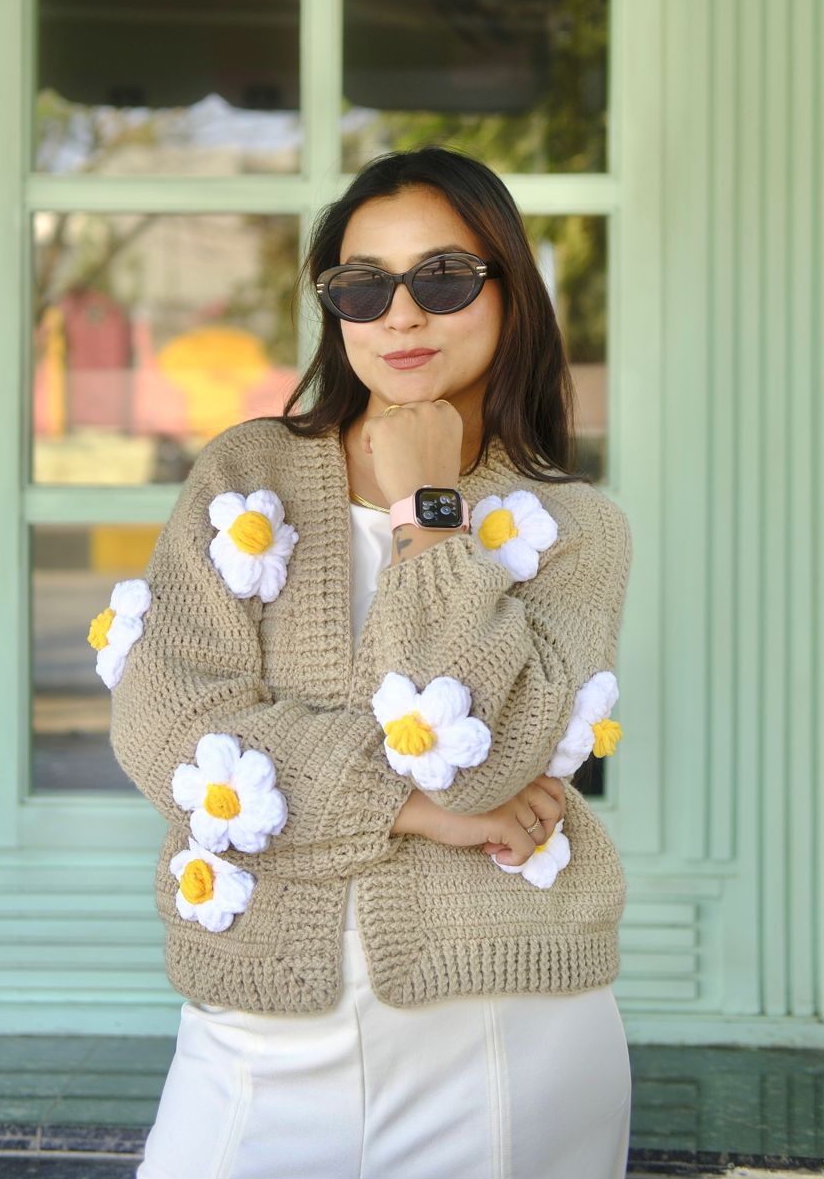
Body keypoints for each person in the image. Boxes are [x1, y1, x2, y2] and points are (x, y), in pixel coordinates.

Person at [109, 146, 633, 1179]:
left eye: (442, 278)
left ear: (509, 296)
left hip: (503, 1042)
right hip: (254, 1033)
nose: (400, 314)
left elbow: (479, 760)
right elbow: (165, 729)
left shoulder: (573, 530)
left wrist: (427, 513)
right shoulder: (242, 478)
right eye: (363, 284)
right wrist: (413, 810)